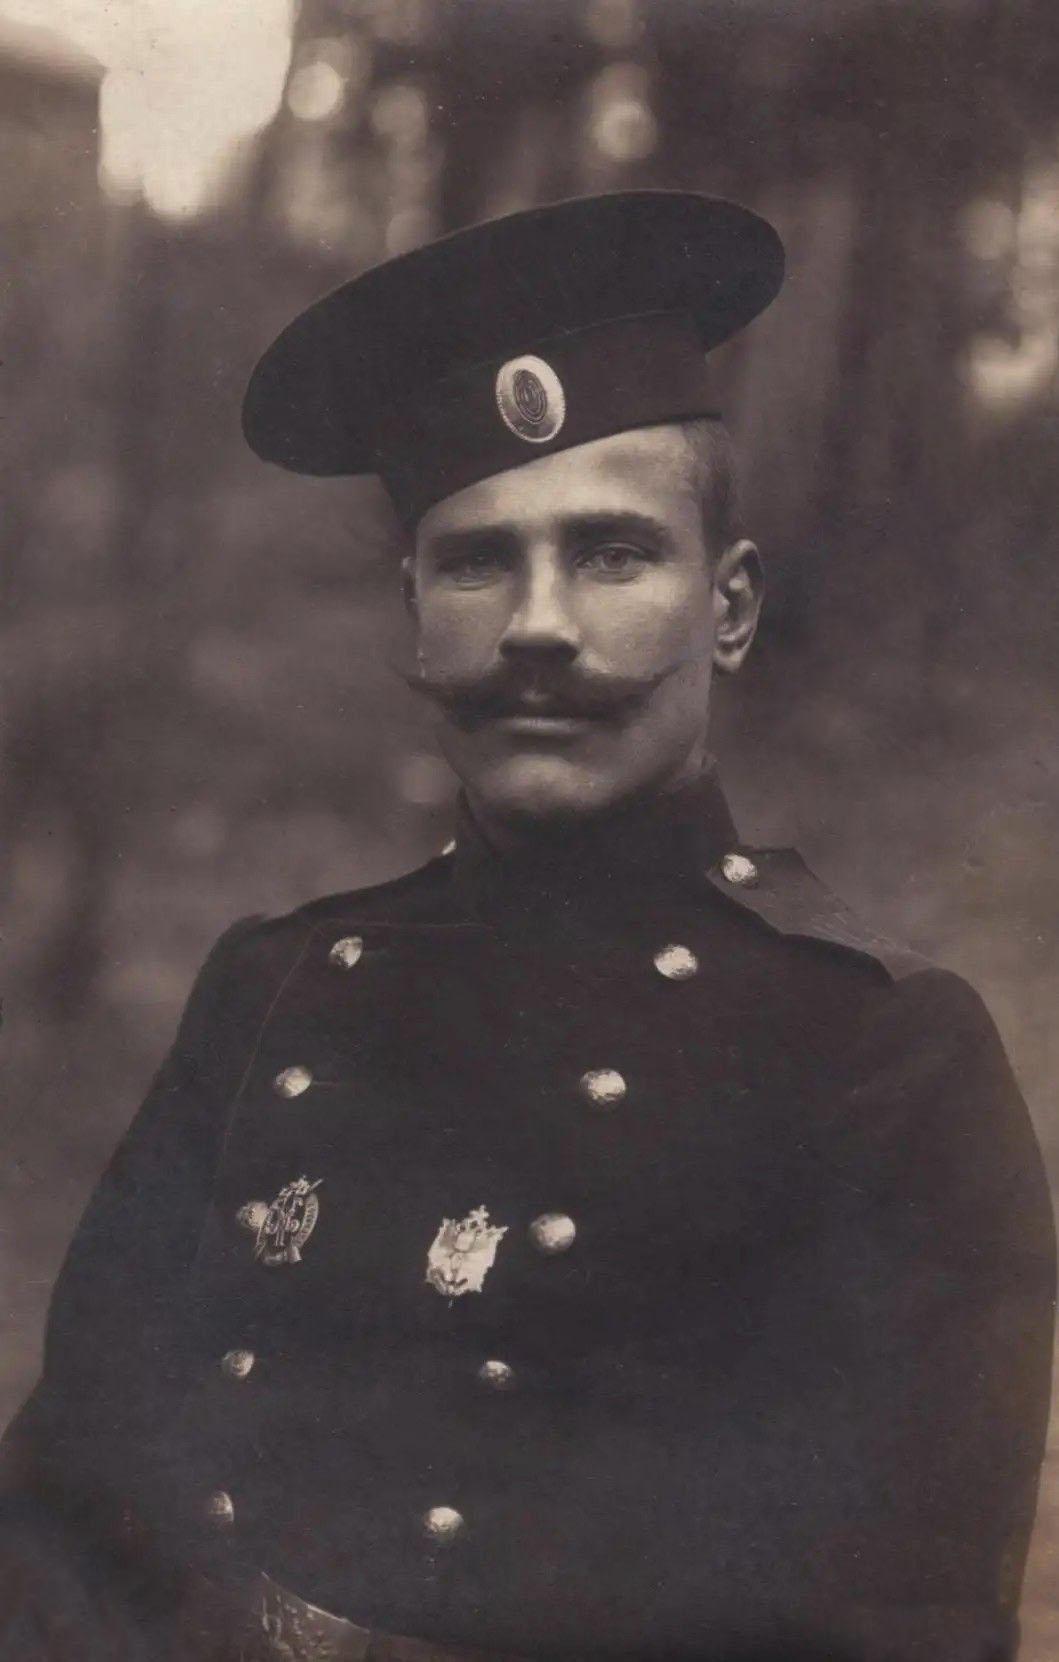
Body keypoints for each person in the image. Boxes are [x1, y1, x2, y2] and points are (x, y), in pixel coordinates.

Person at [1, 192, 1054, 1662]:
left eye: (612, 553)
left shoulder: (879, 1055)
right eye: (477, 561)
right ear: (412, 613)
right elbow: (63, 1520)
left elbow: (899, 1622)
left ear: (730, 607)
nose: (537, 624)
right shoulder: (272, 992)